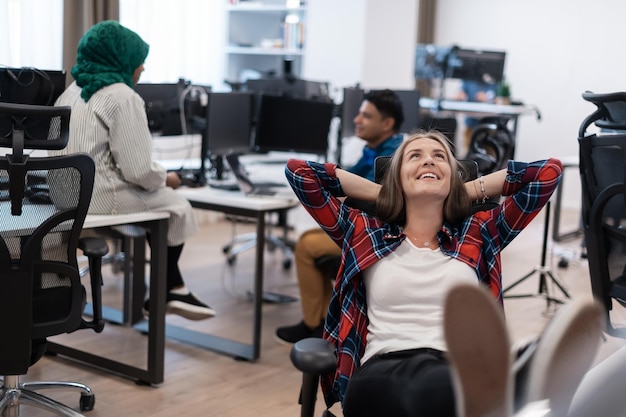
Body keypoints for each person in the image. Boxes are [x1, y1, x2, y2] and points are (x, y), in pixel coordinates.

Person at [284, 130, 562, 416]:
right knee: (432, 387)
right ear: (397, 176)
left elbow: (547, 173)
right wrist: (386, 192)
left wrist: (461, 190)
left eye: (439, 157)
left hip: (453, 366)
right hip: (381, 371)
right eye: (415, 157)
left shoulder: (480, 232)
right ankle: (514, 377)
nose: (428, 161)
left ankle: (500, 381)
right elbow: (299, 173)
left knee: (438, 387)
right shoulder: (364, 231)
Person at [51, 20, 214, 321]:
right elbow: (139, 170)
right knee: (176, 204)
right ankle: (167, 291)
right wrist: (168, 179)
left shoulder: (70, 92)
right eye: (140, 62)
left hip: (62, 196)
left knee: (159, 199)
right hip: (97, 198)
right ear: (121, 59)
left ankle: (171, 288)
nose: (142, 69)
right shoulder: (123, 96)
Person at [275, 89, 405, 344]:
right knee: (310, 239)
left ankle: (314, 325)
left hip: (379, 236)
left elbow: (360, 196)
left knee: (306, 245)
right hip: (365, 228)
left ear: (387, 123)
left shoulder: (391, 157)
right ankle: (321, 322)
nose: (356, 120)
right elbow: (347, 180)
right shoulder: (373, 150)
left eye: (366, 116)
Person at [455, 78, 498, 150]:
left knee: (489, 151)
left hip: (489, 126)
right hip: (471, 123)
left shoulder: (494, 80)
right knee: (469, 151)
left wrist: (488, 98)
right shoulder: (468, 79)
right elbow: (461, 92)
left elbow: (499, 97)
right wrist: (460, 95)